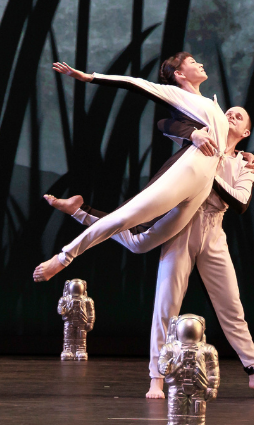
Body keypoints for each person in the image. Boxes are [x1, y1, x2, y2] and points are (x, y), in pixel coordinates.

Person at [45, 106, 254, 400]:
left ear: (246, 132)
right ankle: (156, 378)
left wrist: (209, 171)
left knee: (232, 308)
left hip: (213, 233)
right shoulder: (202, 141)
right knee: (166, 304)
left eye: (239, 116)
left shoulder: (244, 164)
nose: (231, 116)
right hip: (180, 226)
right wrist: (196, 136)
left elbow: (240, 203)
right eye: (229, 112)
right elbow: (164, 124)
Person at [33, 53, 232, 282]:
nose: (201, 64)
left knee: (140, 243)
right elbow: (133, 82)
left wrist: (243, 157)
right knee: (125, 217)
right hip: (192, 167)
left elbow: (224, 143)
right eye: (194, 62)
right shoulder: (176, 94)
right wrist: (89, 77)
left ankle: (79, 210)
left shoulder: (211, 104)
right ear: (179, 74)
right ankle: (63, 258)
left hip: (206, 181)